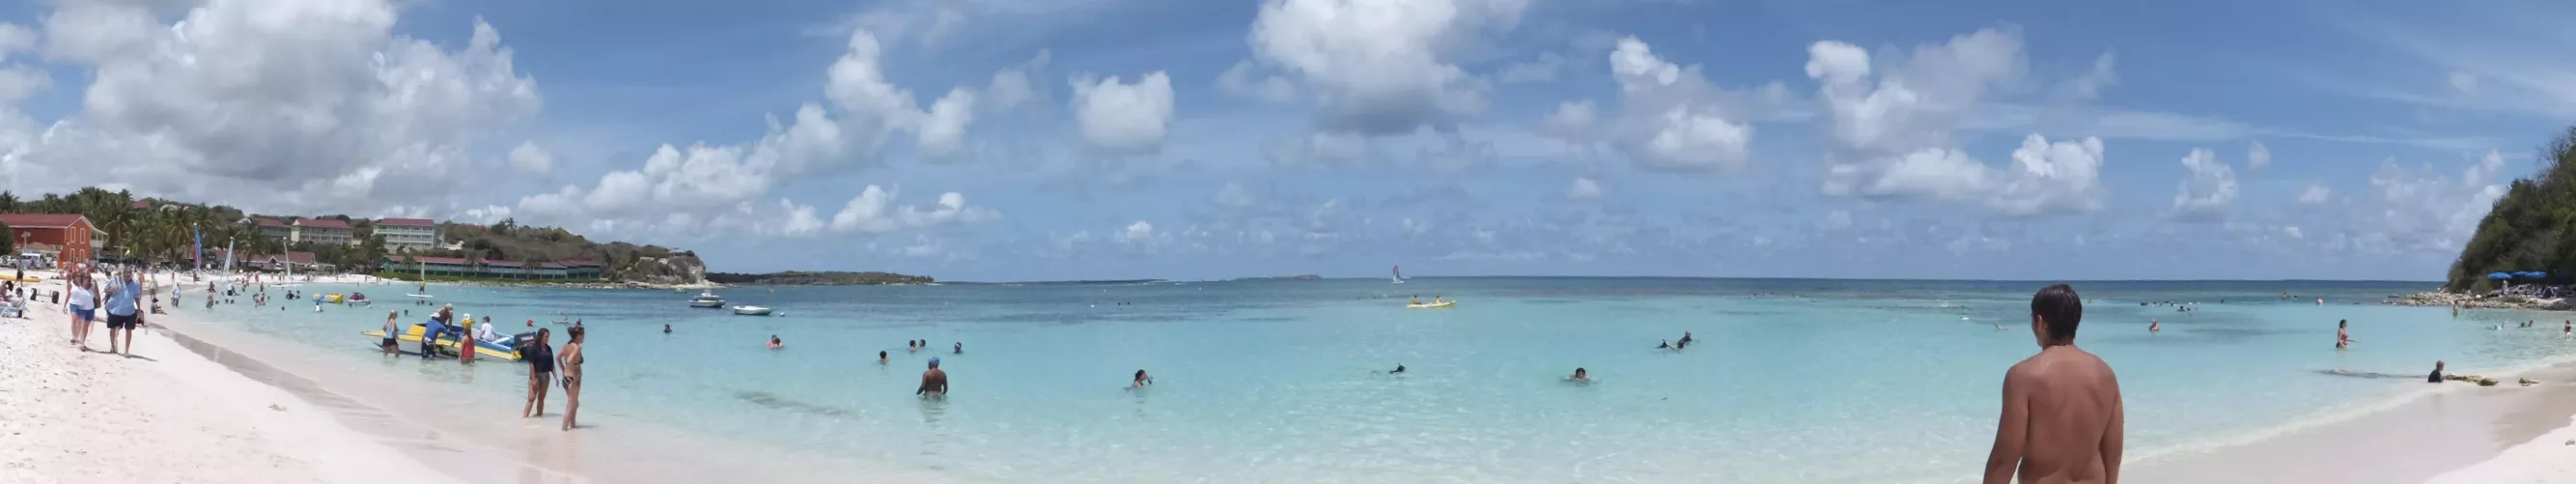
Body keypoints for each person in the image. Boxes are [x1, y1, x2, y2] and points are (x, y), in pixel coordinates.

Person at [1983, 284, 2123, 484]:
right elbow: (2113, 454)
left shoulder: (2023, 377)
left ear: (2039, 322)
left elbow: (2004, 459)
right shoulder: (2106, 374)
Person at [104, 270, 143, 356]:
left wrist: (139, 310)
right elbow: (106, 290)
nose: (127, 277)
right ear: (122, 274)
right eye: (125, 275)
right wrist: (111, 289)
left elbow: (137, 298)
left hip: (129, 311)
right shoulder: (115, 280)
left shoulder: (135, 284)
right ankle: (112, 347)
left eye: (129, 275)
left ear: (131, 275)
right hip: (115, 310)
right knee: (113, 328)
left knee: (129, 330)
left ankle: (126, 351)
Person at [522, 328, 554, 418]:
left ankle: (539, 417)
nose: (548, 338)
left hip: (546, 376)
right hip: (536, 375)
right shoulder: (534, 348)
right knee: (531, 398)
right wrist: (533, 378)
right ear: (541, 337)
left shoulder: (548, 348)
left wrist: (555, 376)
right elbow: (531, 364)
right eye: (546, 337)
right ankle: (524, 418)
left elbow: (551, 363)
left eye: (548, 337)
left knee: (541, 398)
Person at [559, 326, 585, 431]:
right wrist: (574, 377)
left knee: (574, 404)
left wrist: (563, 369)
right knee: (570, 406)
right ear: (579, 336)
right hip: (573, 380)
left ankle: (572, 426)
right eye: (583, 335)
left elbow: (558, 358)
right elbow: (569, 360)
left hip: (566, 378)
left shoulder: (567, 345)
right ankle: (564, 430)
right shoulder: (576, 347)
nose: (584, 337)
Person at [68, 275, 95, 349]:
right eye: (77, 275)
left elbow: (96, 296)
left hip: (87, 307)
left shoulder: (92, 285)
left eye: (88, 277)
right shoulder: (73, 284)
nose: (78, 277)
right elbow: (68, 294)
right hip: (75, 304)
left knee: (83, 325)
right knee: (75, 320)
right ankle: (75, 337)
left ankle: (81, 341)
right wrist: (64, 305)